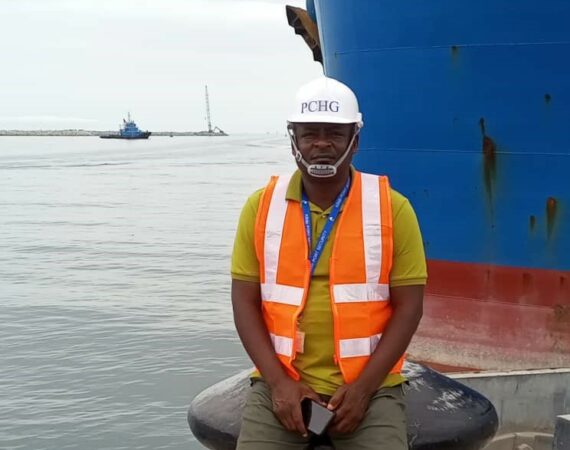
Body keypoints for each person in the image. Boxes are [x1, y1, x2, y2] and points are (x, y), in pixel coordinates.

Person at [231, 76, 427, 450]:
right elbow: (244, 302)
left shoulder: (393, 209)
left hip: (371, 387)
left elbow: (409, 308)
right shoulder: (261, 208)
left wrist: (364, 389)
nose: (321, 143)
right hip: (282, 382)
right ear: (293, 140)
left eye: (335, 133)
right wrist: (279, 384)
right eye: (310, 134)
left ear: (355, 141)